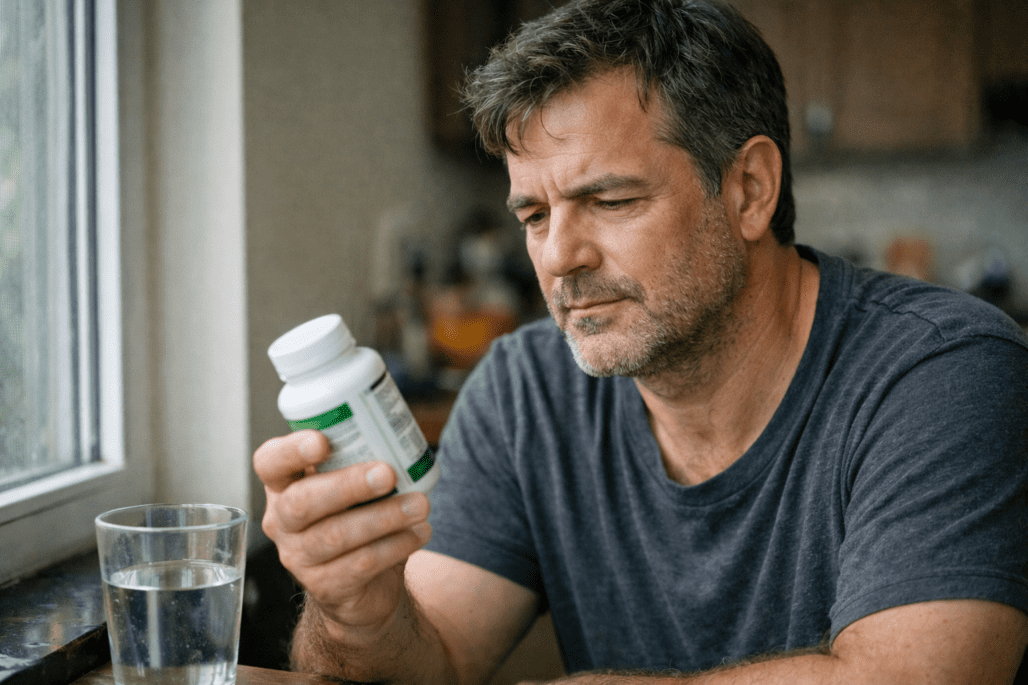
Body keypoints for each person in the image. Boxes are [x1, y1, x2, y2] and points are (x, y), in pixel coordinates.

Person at [253, 0, 1028, 682]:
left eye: (610, 199)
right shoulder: (526, 389)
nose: (558, 257)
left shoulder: (944, 372)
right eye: (533, 216)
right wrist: (355, 610)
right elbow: (437, 660)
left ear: (749, 189)